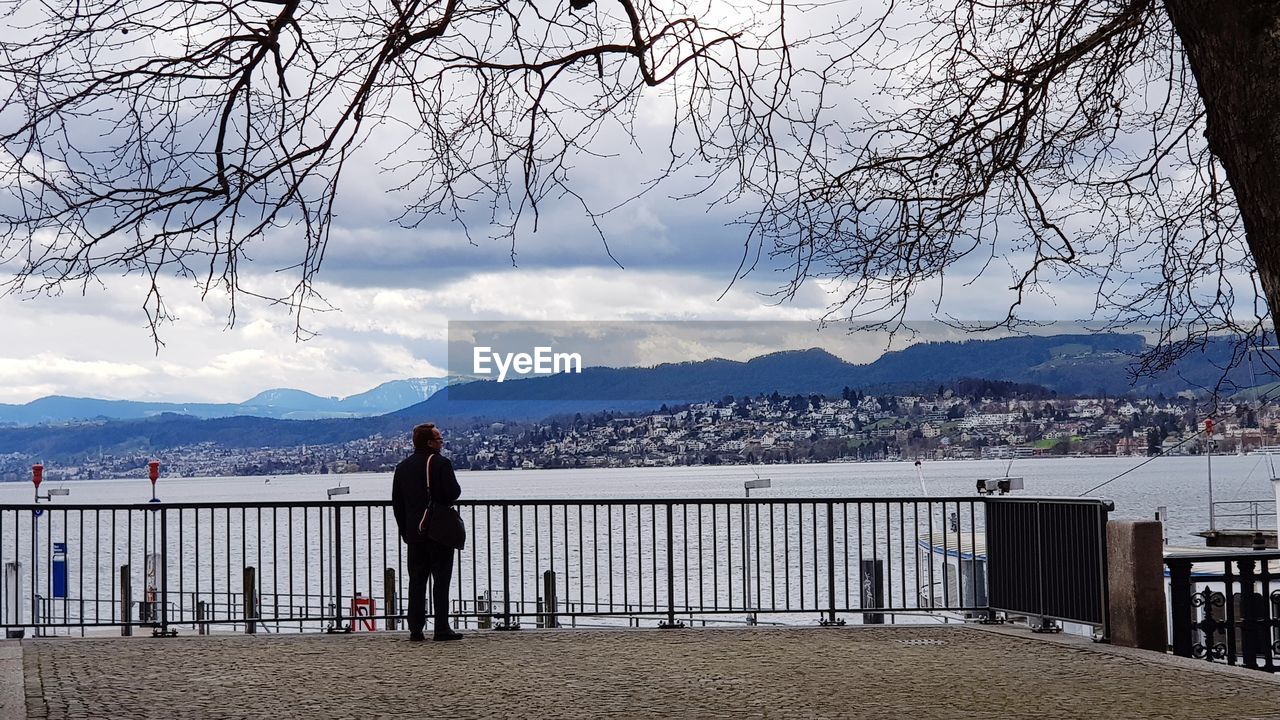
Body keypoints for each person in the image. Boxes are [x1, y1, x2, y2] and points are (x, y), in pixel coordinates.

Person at [391, 422, 463, 641]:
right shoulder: (441, 463)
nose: (442, 443)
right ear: (430, 443)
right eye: (439, 439)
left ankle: (415, 627)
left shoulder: (403, 467)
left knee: (417, 580)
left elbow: (398, 503)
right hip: (439, 531)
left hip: (414, 533)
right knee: (441, 580)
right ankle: (441, 627)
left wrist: (405, 530)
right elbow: (452, 493)